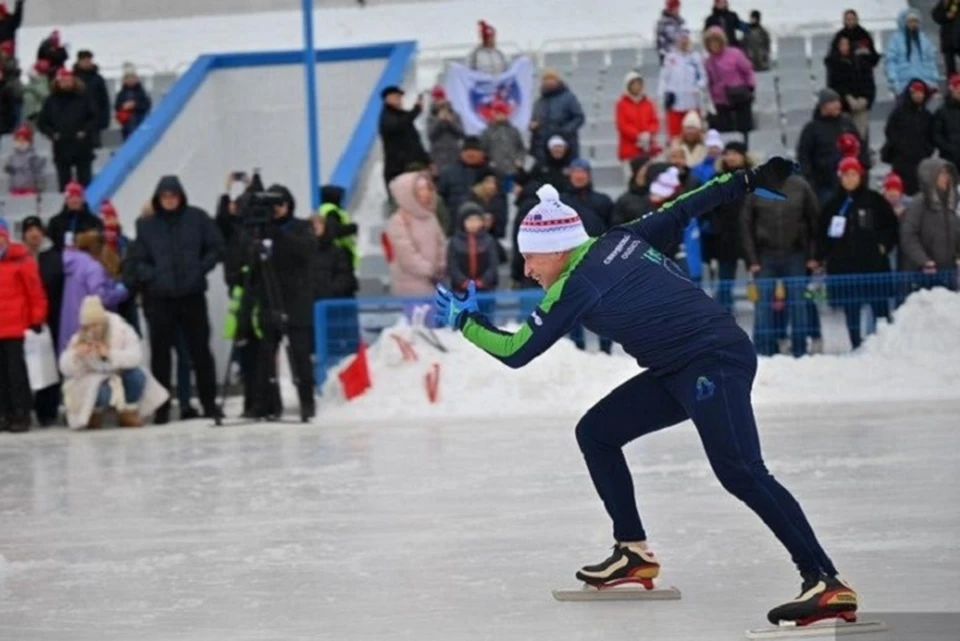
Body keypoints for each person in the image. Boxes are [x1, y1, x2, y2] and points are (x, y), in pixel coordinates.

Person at [434, 158, 858, 628]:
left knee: (741, 470)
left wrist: (466, 322)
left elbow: (515, 350)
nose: (528, 269)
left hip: (712, 359)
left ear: (556, 250)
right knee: (596, 432)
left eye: (531, 257)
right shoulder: (622, 238)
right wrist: (748, 179)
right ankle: (631, 552)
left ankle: (824, 580)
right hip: (676, 368)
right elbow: (687, 205)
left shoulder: (576, 285)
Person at [128, 175, 224, 423]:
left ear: (180, 196)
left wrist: (200, 268)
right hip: (161, 298)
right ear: (158, 199)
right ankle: (161, 407)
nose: (169, 200)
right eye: (165, 196)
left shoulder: (197, 218)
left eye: (173, 196)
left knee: (200, 351)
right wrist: (153, 277)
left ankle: (208, 402)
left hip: (192, 295)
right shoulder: (147, 226)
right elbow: (137, 260)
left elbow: (216, 247)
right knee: (160, 355)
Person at [238, 184, 317, 421]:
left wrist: (278, 235)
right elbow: (250, 266)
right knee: (266, 356)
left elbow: (306, 252)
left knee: (300, 355)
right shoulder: (259, 232)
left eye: (281, 204)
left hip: (295, 301)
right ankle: (267, 403)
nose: (277, 210)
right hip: (268, 300)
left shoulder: (301, 227)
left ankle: (306, 401)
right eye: (273, 206)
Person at [818, 157, 898, 349]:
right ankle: (856, 345)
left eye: (854, 174)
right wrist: (823, 256)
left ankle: (883, 345)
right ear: (840, 177)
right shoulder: (832, 205)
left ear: (860, 176)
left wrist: (883, 246)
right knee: (851, 308)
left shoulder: (875, 200)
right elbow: (822, 234)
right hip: (845, 268)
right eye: (846, 175)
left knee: (879, 307)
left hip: (873, 266)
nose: (850, 179)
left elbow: (891, 227)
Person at [741, 173, 821, 357]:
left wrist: (813, 255)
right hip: (764, 255)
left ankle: (799, 349)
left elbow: (814, 221)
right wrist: (752, 259)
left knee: (798, 302)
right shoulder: (756, 188)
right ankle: (764, 349)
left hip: (796, 254)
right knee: (763, 304)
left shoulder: (801, 186)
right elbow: (746, 224)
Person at [58, 296, 168, 429]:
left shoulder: (121, 329)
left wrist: (110, 354)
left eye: (95, 325)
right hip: (97, 381)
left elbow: (136, 356)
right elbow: (64, 367)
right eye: (88, 326)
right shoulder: (79, 337)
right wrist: (76, 356)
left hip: (120, 374)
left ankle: (128, 410)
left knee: (137, 375)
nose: (92, 329)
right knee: (99, 389)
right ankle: (94, 413)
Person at [0, 217, 47, 433]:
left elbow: (35, 292)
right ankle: (4, 413)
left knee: (16, 373)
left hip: (15, 327)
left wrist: (37, 319)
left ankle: (21, 413)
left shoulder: (21, 260)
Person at [58, 229, 128, 356]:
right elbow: (101, 298)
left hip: (69, 327)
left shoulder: (72, 264)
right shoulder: (93, 267)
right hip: (88, 328)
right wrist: (122, 292)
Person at [21, 217, 63, 425]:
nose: (34, 233)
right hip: (22, 320)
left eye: (37, 229)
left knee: (50, 365)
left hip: (51, 319)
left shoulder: (53, 257)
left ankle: (48, 410)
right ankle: (23, 409)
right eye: (30, 230)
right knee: (23, 367)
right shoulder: (17, 257)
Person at [701, 142, 751, 312]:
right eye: (727, 153)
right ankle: (724, 313)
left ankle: (766, 313)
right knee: (725, 277)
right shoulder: (716, 179)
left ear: (743, 155)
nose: (731, 157)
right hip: (725, 237)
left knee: (759, 277)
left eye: (735, 153)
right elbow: (705, 206)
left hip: (750, 235)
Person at [797, 89, 867, 205]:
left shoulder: (847, 123)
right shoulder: (811, 129)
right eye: (833, 102)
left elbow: (861, 147)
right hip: (825, 187)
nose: (838, 105)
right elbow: (804, 158)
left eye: (838, 102)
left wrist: (863, 170)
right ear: (823, 106)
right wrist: (812, 183)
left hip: (852, 183)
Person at [383, 171, 447, 297]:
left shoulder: (431, 217)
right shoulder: (399, 220)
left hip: (435, 282)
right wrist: (429, 270)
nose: (426, 193)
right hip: (410, 285)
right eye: (420, 189)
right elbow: (406, 254)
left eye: (428, 188)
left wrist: (441, 266)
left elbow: (441, 242)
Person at [899, 158, 960, 290]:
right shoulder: (919, 203)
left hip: (948, 273)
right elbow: (908, 235)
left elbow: (957, 231)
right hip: (921, 274)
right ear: (930, 176)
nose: (946, 177)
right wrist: (924, 261)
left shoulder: (951, 202)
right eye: (941, 173)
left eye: (947, 173)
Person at [882, 79, 935, 196]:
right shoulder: (898, 113)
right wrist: (899, 146)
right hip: (901, 159)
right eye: (915, 93)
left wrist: (926, 150)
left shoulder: (927, 115)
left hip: (921, 159)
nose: (918, 96)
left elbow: (932, 136)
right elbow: (890, 131)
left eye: (920, 93)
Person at [824, 35, 878, 143]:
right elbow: (833, 87)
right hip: (843, 108)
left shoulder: (861, 62)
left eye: (846, 44)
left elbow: (869, 83)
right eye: (841, 45)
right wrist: (848, 100)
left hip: (862, 106)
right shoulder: (833, 64)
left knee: (861, 139)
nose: (844, 47)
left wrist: (865, 99)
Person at [703, 27, 755, 138]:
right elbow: (709, 82)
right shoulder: (708, 61)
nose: (714, 45)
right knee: (725, 130)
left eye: (716, 41)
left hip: (739, 95)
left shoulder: (735, 54)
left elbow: (748, 71)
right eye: (711, 42)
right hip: (721, 100)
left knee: (744, 127)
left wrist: (750, 86)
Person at [658, 29, 707, 140]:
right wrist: (662, 96)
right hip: (675, 103)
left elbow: (703, 77)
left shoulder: (695, 57)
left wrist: (698, 86)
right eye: (681, 39)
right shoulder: (670, 58)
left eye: (686, 39)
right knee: (675, 136)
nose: (683, 42)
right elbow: (664, 79)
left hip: (692, 102)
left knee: (694, 135)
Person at [379, 85, 430, 191]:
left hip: (413, 166)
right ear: (388, 99)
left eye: (400, 97)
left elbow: (415, 142)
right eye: (397, 96)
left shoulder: (402, 115)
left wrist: (427, 161)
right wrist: (416, 110)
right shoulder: (386, 117)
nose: (400, 99)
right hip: (397, 169)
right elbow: (397, 125)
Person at [529, 70, 586, 162]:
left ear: (558, 80)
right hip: (543, 150)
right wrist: (532, 126)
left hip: (565, 148)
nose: (549, 82)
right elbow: (533, 120)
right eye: (546, 79)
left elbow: (579, 118)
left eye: (552, 79)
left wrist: (564, 131)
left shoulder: (568, 98)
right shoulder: (539, 102)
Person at [448, 202, 500, 297]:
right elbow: (453, 265)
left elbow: (493, 264)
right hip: (460, 291)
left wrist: (482, 281)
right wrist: (463, 282)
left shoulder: (489, 240)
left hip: (486, 290)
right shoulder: (454, 242)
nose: (473, 223)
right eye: (469, 220)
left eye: (476, 220)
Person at [884, 9, 940, 96]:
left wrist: (934, 80)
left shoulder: (924, 39)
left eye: (916, 21)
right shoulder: (895, 39)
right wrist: (893, 81)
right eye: (910, 21)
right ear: (904, 22)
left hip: (925, 83)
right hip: (904, 85)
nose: (914, 24)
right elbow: (891, 61)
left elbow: (931, 60)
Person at [615, 71, 661, 169]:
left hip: (648, 148)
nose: (637, 87)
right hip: (629, 149)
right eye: (633, 84)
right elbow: (622, 125)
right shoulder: (621, 104)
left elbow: (654, 122)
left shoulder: (649, 103)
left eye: (639, 84)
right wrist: (638, 136)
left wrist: (649, 133)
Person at [480, 99, 525, 191]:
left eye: (502, 112)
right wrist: (489, 163)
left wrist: (520, 160)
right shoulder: (487, 132)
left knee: (512, 195)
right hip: (495, 171)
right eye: (497, 112)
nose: (499, 115)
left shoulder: (513, 130)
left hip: (512, 170)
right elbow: (482, 150)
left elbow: (521, 148)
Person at [46, 181, 103, 251]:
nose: (74, 200)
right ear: (66, 200)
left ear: (83, 199)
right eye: (71, 197)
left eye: (78, 197)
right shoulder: (55, 222)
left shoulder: (94, 222)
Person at [72, 50, 110, 148]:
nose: (87, 62)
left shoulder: (98, 79)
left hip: (94, 120)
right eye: (84, 60)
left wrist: (104, 120)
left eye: (89, 60)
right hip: (76, 120)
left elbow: (104, 100)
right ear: (79, 61)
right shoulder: (72, 79)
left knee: (95, 147)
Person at [318, 184, 360, 269]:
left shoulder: (323, 210)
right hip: (339, 254)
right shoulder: (332, 212)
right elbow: (335, 230)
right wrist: (352, 228)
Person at [427, 86, 465, 176]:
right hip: (437, 156)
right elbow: (430, 136)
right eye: (437, 98)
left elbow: (461, 134)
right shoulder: (431, 117)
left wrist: (450, 122)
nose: (440, 101)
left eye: (441, 98)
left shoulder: (455, 115)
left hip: (453, 154)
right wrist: (439, 122)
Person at [5, 122, 46, 195]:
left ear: (29, 141)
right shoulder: (12, 157)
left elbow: (38, 173)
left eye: (23, 140)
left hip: (29, 189)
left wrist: (40, 186)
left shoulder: (33, 156)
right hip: (15, 188)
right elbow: (10, 174)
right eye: (18, 140)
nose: (21, 142)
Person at [114, 63, 152, 141]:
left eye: (132, 77)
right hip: (127, 124)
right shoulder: (121, 94)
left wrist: (135, 105)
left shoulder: (142, 92)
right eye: (127, 78)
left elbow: (146, 105)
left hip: (140, 122)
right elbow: (117, 107)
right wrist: (124, 106)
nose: (130, 80)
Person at [933, 73, 960, 167]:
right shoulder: (942, 112)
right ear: (952, 90)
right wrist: (949, 148)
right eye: (957, 89)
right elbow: (936, 135)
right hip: (949, 159)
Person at [933, 0, 960, 76]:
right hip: (948, 39)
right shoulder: (947, 2)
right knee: (951, 69)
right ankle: (953, 84)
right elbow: (936, 16)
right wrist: (946, 14)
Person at [655, 0, 685, 64]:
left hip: (680, 55)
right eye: (676, 8)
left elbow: (685, 34)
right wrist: (664, 56)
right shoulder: (663, 23)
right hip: (668, 56)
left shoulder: (680, 21)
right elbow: (661, 42)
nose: (678, 10)